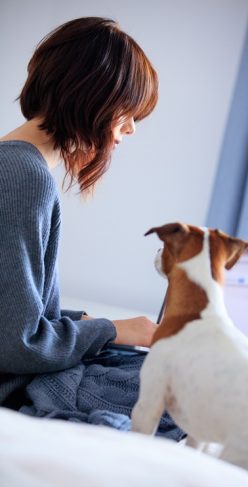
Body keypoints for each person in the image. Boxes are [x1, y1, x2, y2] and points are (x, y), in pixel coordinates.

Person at [0, 17, 171, 430]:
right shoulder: (23, 175)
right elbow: (17, 345)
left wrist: (87, 322)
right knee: (191, 391)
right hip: (16, 386)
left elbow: (16, 313)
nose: (129, 129)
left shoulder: (15, 164)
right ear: (93, 95)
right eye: (128, 112)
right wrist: (112, 330)